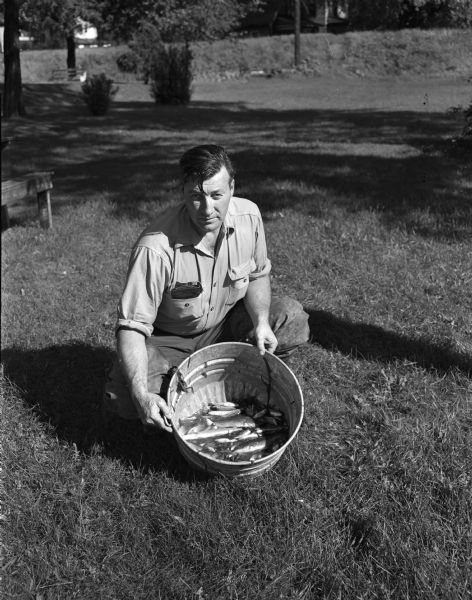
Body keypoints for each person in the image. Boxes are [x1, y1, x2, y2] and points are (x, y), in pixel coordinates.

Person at [103, 145, 309, 432]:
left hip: (224, 323)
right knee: (126, 399)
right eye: (196, 197)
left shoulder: (249, 217)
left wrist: (261, 322)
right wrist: (141, 395)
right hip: (169, 338)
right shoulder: (155, 249)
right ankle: (177, 378)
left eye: (216, 195)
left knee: (290, 318)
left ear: (232, 187)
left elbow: (258, 274)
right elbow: (131, 327)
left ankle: (252, 377)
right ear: (183, 192)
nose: (208, 209)